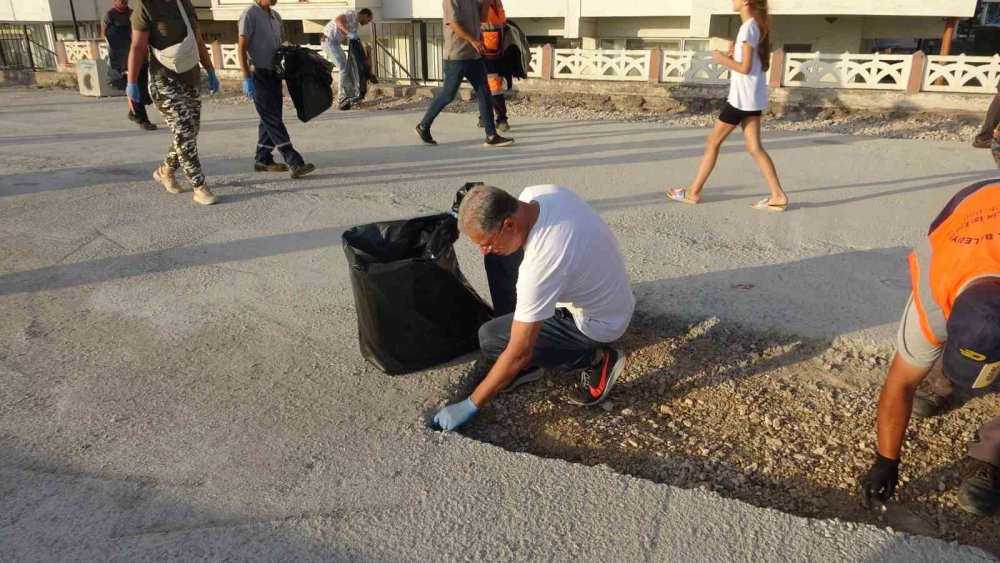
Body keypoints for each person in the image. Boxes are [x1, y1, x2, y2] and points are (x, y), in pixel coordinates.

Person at [433, 185, 635, 431]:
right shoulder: (537, 194)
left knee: (492, 339)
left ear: (508, 224)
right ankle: (521, 332)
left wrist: (470, 404)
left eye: (485, 242)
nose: (482, 249)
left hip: (600, 322)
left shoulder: (540, 268)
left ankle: (598, 360)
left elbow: (519, 352)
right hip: (608, 291)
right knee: (497, 256)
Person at [861, 179, 1000, 517]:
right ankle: (944, 377)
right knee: (949, 342)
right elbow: (901, 382)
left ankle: (990, 453)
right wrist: (886, 459)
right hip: (972, 208)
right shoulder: (933, 294)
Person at [666, 0, 789, 212]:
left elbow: (745, 67)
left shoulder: (748, 27)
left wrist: (722, 59)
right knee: (754, 147)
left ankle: (693, 192)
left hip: (741, 101)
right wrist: (733, 56)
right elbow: (750, 66)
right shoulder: (755, 27)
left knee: (712, 143)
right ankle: (778, 195)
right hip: (752, 99)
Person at [127, 0, 220, 205]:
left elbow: (197, 40)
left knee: (190, 131)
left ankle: (166, 170)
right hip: (164, 81)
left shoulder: (184, 4)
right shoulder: (146, 7)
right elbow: (137, 46)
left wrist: (210, 70)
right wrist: (131, 82)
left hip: (190, 77)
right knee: (185, 129)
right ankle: (199, 186)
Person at [414, 0, 514, 147]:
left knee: (484, 93)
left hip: (475, 56)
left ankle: (491, 135)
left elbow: (482, 18)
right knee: (448, 95)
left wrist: (486, 3)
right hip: (457, 56)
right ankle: (423, 126)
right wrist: (473, 40)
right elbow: (453, 23)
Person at [238, 0, 316, 178]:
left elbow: (279, 43)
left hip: (274, 73)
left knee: (271, 116)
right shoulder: (250, 15)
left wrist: (291, 49)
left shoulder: (276, 16)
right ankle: (294, 161)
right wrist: (246, 78)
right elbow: (241, 47)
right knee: (272, 118)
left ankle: (263, 158)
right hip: (258, 74)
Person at [102, 0, 156, 130]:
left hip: (140, 55)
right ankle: (141, 118)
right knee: (133, 86)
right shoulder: (109, 15)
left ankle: (133, 112)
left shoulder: (133, 14)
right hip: (123, 57)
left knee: (143, 87)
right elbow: (107, 36)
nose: (124, 1)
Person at [320, 8, 373, 101]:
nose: (367, 23)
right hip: (329, 40)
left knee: (346, 67)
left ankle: (348, 94)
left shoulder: (355, 26)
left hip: (336, 43)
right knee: (343, 68)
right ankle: (342, 97)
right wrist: (349, 33)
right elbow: (338, 20)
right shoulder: (351, 14)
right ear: (365, 15)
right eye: (369, 20)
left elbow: (354, 41)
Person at [478, 0, 509, 132]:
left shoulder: (498, 3)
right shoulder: (479, 3)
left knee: (493, 86)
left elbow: (502, 25)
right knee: (493, 86)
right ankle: (501, 119)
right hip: (486, 52)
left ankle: (484, 117)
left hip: (499, 52)